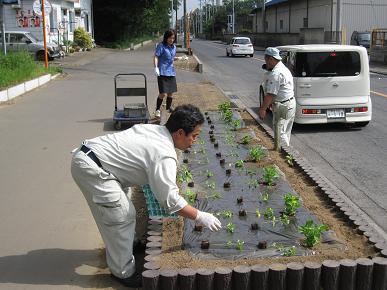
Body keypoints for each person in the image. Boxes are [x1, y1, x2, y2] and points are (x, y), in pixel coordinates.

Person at [71, 104, 221, 288]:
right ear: (180, 133)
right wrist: (200, 216)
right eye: (195, 136)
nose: (194, 141)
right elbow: (169, 201)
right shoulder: (163, 154)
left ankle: (130, 244)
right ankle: (122, 272)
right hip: (93, 168)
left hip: (95, 158)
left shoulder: (156, 130)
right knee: (121, 215)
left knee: (121, 206)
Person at [258, 47, 296, 147]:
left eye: (266, 60)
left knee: (280, 133)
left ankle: (282, 153)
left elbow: (270, 94)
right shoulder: (283, 68)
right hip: (290, 103)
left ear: (271, 59)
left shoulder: (276, 73)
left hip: (283, 106)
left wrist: (263, 109)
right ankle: (287, 151)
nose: (266, 62)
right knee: (285, 132)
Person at [153, 29, 180, 118]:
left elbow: (171, 59)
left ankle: (168, 108)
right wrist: (156, 67)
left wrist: (178, 58)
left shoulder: (174, 47)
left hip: (171, 72)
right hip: (162, 72)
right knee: (162, 93)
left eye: (173, 38)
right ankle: (157, 109)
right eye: (169, 38)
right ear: (166, 37)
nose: (171, 40)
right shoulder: (161, 46)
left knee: (171, 92)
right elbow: (156, 56)